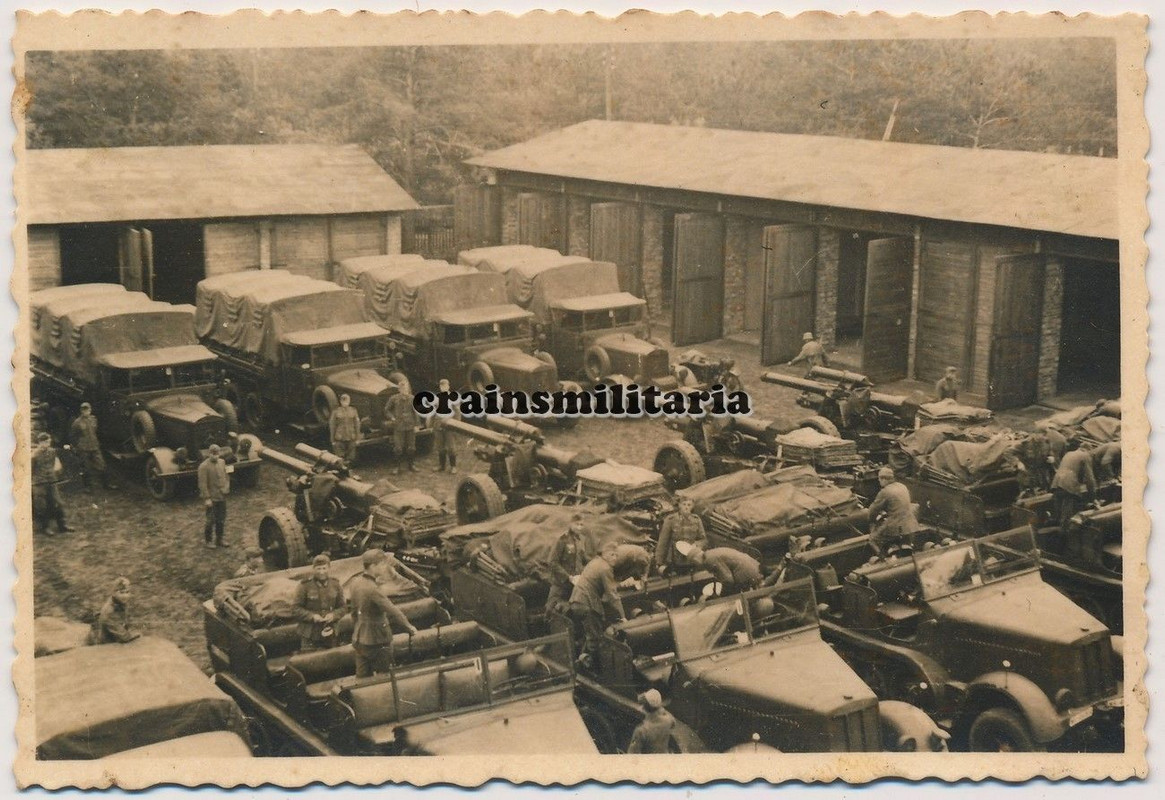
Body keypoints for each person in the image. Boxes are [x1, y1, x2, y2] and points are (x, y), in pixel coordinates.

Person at [349, 549, 419, 677]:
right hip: (377, 640)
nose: (384, 568)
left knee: (362, 679)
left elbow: (354, 613)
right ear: (373, 566)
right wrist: (409, 628)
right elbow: (393, 611)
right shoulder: (372, 589)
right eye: (382, 564)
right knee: (387, 677)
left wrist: (359, 629)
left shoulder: (355, 583)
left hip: (359, 639)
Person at [569, 543, 627, 669]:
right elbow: (612, 595)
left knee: (590, 632)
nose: (615, 558)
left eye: (616, 555)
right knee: (595, 638)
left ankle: (583, 658)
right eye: (612, 555)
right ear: (605, 555)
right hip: (586, 604)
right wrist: (623, 617)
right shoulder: (605, 568)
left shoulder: (595, 562)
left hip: (576, 601)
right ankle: (594, 669)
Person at [293, 554, 348, 651]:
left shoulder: (335, 584)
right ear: (313, 569)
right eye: (318, 569)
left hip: (330, 631)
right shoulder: (304, 586)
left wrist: (333, 615)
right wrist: (312, 616)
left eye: (324, 568)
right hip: (310, 633)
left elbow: (343, 607)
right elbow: (296, 609)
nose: (321, 572)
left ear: (329, 568)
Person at [868, 467, 920, 558]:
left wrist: (871, 521)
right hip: (910, 524)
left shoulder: (885, 492)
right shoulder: (902, 486)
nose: (879, 481)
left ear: (884, 479)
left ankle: (883, 560)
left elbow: (873, 511)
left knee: (873, 540)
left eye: (879, 479)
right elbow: (898, 505)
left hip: (895, 526)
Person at [1051, 439, 1098, 529]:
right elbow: (1090, 479)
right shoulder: (1085, 455)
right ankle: (1067, 538)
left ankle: (1058, 535)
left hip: (1056, 482)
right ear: (1089, 450)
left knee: (1059, 514)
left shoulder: (1069, 454)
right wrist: (1093, 498)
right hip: (1068, 484)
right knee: (1067, 517)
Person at [680, 543, 762, 594]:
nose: (697, 566)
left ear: (696, 559)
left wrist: (722, 595)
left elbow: (728, 579)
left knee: (731, 597)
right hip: (752, 566)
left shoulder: (709, 560)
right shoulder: (711, 553)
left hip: (746, 573)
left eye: (694, 563)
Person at [32, 431, 72, 535]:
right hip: (39, 483)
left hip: (51, 481)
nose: (47, 444)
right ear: (40, 442)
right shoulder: (34, 456)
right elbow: (30, 471)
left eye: (48, 442)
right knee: (42, 506)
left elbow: (55, 465)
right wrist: (35, 482)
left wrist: (55, 475)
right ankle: (45, 528)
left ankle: (62, 526)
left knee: (58, 503)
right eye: (44, 442)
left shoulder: (52, 452)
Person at [545, 518, 588, 614]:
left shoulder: (581, 539)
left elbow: (582, 560)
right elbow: (552, 562)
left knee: (575, 611)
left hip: (575, 584)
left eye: (582, 525)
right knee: (551, 611)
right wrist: (568, 577)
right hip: (561, 583)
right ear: (570, 524)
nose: (579, 527)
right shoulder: (562, 539)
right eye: (577, 524)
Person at [655, 496, 707, 572]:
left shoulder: (697, 520)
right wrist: (659, 562)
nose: (686, 507)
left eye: (689, 505)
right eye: (684, 504)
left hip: (691, 558)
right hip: (675, 560)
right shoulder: (670, 520)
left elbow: (703, 539)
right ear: (679, 506)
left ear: (692, 507)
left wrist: (696, 546)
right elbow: (663, 542)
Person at [69, 402, 113, 489]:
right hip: (83, 448)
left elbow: (95, 431)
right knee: (86, 468)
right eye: (84, 410)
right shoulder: (77, 422)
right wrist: (76, 447)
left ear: (90, 410)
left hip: (94, 447)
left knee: (102, 465)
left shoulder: (94, 419)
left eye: (87, 409)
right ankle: (88, 487)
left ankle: (106, 485)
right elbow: (72, 436)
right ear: (81, 411)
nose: (86, 411)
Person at [89, 577, 141, 644]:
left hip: (113, 637)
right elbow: (125, 637)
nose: (125, 596)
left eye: (127, 592)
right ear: (113, 593)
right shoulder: (110, 611)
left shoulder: (120, 602)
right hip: (103, 644)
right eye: (121, 593)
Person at [198, 444, 230, 549]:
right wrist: (207, 498)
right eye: (213, 453)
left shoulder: (222, 462)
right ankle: (208, 541)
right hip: (212, 498)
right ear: (209, 453)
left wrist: (226, 487)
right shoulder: (203, 466)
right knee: (210, 520)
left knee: (221, 519)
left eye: (217, 453)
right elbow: (202, 484)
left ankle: (219, 539)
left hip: (222, 496)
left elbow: (226, 476)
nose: (215, 456)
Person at [626, 689, 677, 754]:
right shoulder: (669, 720)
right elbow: (673, 723)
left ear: (645, 707)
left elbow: (632, 754)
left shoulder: (641, 731)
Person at [386, 383, 420, 475]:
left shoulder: (412, 398)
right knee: (398, 448)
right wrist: (392, 418)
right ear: (399, 390)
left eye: (406, 389)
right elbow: (387, 410)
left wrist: (417, 425)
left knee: (411, 447)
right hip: (399, 426)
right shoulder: (394, 398)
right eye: (403, 389)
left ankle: (411, 465)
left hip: (410, 426)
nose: (405, 391)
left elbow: (416, 412)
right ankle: (397, 467)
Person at [431, 379, 459, 473]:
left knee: (451, 447)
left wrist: (456, 424)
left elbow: (457, 412)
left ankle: (453, 466)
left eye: (445, 385)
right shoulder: (437, 397)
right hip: (438, 424)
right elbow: (433, 412)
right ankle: (441, 466)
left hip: (449, 424)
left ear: (448, 386)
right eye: (441, 386)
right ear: (440, 387)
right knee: (440, 446)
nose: (443, 387)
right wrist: (431, 424)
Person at [328, 393, 361, 466]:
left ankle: (349, 470)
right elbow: (332, 426)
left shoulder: (353, 410)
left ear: (349, 401)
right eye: (343, 401)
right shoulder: (336, 412)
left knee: (351, 457)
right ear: (340, 402)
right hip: (340, 437)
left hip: (351, 436)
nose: (345, 403)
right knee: (340, 457)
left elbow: (357, 425)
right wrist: (332, 440)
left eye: (347, 401)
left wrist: (358, 438)